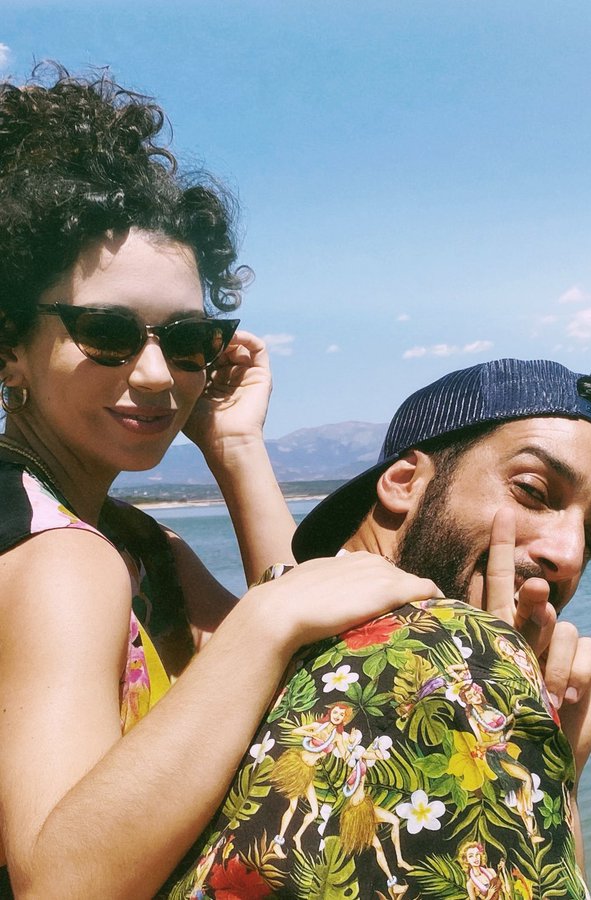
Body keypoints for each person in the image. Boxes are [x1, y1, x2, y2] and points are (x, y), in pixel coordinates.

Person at [0, 67, 439, 898]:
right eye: (108, 333)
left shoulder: (128, 542)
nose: (161, 375)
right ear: (10, 346)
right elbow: (59, 883)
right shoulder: (60, 557)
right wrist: (264, 622)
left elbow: (311, 692)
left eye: (191, 338)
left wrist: (235, 447)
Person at [162, 358, 591, 899]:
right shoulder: (432, 647)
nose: (570, 555)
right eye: (532, 490)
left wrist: (541, 758)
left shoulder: (290, 633)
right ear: (403, 481)